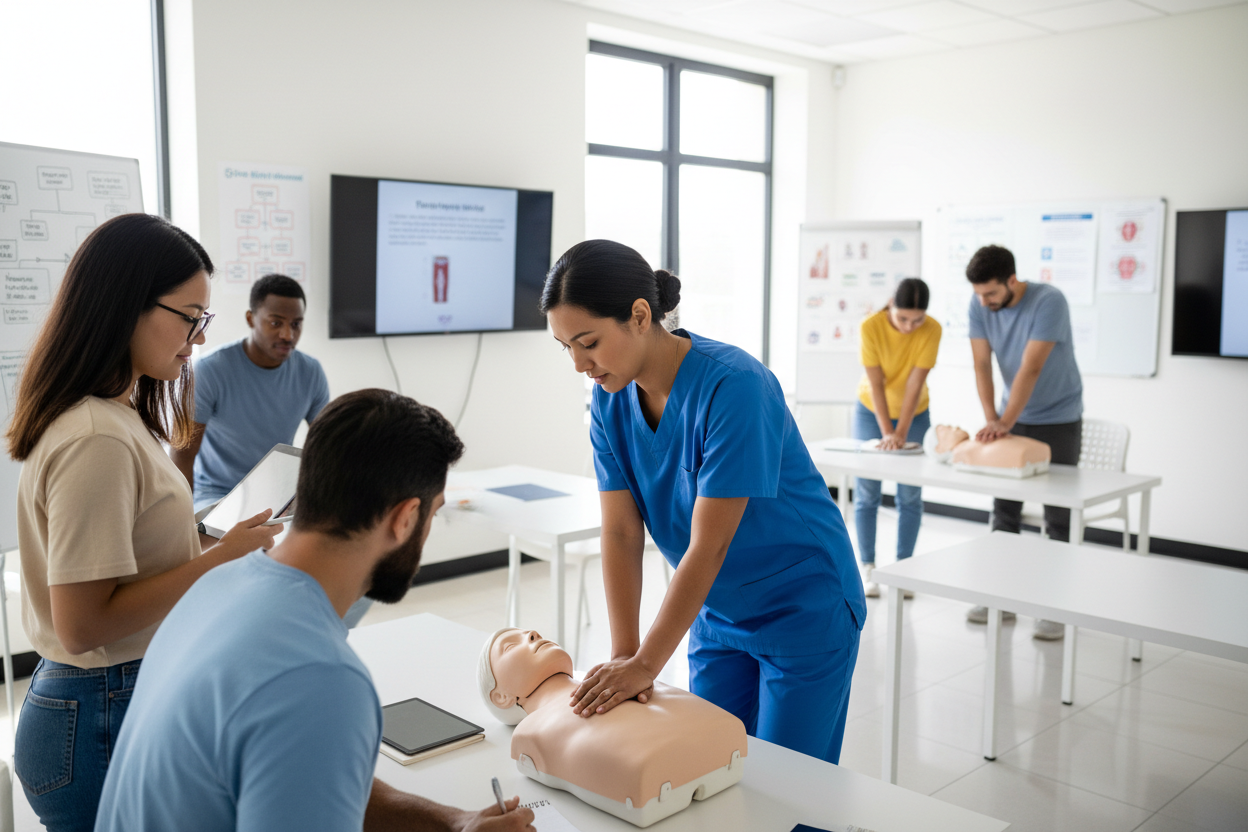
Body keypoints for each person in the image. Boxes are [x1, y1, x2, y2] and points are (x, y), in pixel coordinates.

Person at [95, 389, 534, 832]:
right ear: (405, 519)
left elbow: (306, 770)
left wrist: (453, 824)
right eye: (432, 515)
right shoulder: (320, 677)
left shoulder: (218, 586)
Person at [541, 240, 864, 765]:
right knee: (712, 776)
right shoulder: (609, 400)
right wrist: (626, 652)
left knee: (790, 793)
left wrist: (648, 663)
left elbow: (709, 544)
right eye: (566, 348)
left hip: (802, 607)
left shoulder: (734, 386)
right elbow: (622, 533)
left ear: (640, 316)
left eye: (589, 342)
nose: (580, 364)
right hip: (714, 610)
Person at [7, 214, 278, 832]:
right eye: (189, 317)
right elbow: (84, 625)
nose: (199, 339)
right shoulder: (97, 437)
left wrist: (204, 539)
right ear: (127, 303)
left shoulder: (115, 415)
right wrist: (218, 559)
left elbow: (123, 560)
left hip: (103, 703)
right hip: (96, 712)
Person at [478, 627, 747, 827]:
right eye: (511, 646)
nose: (533, 635)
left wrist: (637, 664)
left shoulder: (625, 675)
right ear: (501, 697)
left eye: (529, 632)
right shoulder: (531, 732)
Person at [965, 244, 1083, 640]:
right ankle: (1002, 597)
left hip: (1057, 419)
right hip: (1009, 418)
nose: (984, 301)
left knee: (1059, 517)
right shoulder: (979, 303)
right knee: (1005, 513)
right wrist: (992, 421)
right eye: (979, 294)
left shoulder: (1049, 301)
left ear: (1012, 281)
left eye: (991, 293)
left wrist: (1004, 423)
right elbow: (981, 363)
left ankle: (1055, 608)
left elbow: (1031, 368)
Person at [171, 273, 328, 514]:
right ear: (251, 318)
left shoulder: (311, 371)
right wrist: (181, 520)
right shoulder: (210, 370)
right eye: (276, 323)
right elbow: (182, 454)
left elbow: (328, 446)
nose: (288, 334)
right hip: (216, 495)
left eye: (296, 324)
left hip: (279, 496)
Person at [852, 278, 941, 597]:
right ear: (891, 305)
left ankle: (904, 570)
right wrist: (887, 432)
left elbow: (916, 384)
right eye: (903, 318)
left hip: (915, 412)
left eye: (916, 320)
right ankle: (869, 568)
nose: (909, 326)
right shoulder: (871, 326)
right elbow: (876, 383)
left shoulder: (932, 329)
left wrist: (901, 432)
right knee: (867, 493)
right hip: (870, 409)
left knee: (910, 495)